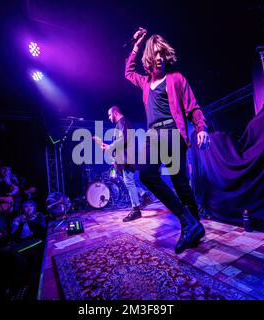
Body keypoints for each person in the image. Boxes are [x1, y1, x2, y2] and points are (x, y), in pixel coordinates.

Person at [125, 28, 210, 254]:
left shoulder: (176, 79)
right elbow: (128, 71)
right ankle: (187, 220)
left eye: (163, 53)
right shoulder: (144, 83)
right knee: (145, 175)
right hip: (153, 135)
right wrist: (137, 45)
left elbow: (192, 106)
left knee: (181, 184)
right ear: (150, 59)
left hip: (172, 133)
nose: (160, 58)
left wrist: (201, 127)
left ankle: (195, 227)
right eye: (156, 54)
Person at [97, 106, 153, 221]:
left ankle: (136, 209)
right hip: (124, 159)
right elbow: (121, 145)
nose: (108, 117)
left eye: (109, 115)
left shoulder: (123, 122)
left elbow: (124, 140)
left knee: (129, 182)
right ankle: (144, 195)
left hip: (128, 160)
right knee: (129, 181)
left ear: (115, 113)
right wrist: (115, 158)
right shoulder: (121, 124)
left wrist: (110, 146)